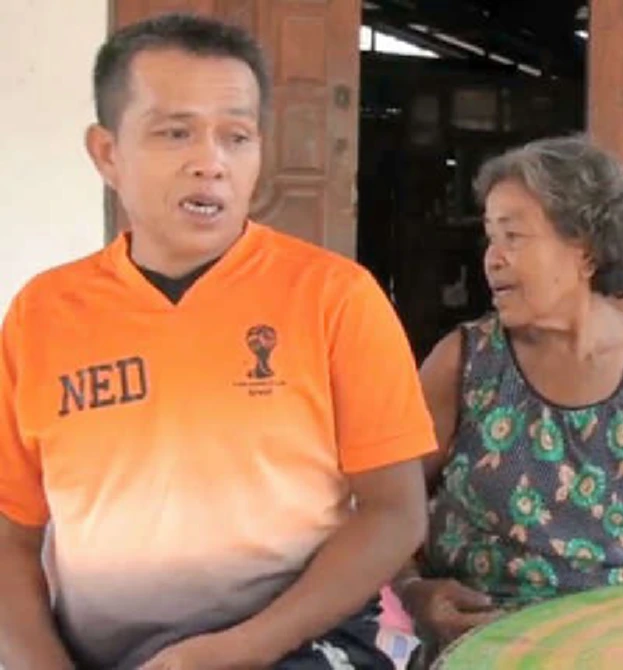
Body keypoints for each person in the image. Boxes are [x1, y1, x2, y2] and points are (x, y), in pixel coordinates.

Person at [0, 13, 434, 670]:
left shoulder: (334, 298)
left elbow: (395, 515)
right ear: (107, 153)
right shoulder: (43, 315)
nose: (211, 163)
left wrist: (235, 651)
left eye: (237, 137)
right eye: (176, 133)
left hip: (299, 645)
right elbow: (10, 538)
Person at [393, 135, 623, 664]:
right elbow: (387, 510)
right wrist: (416, 594)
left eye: (514, 236)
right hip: (491, 649)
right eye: (489, 237)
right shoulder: (464, 362)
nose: (492, 259)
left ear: (587, 251)